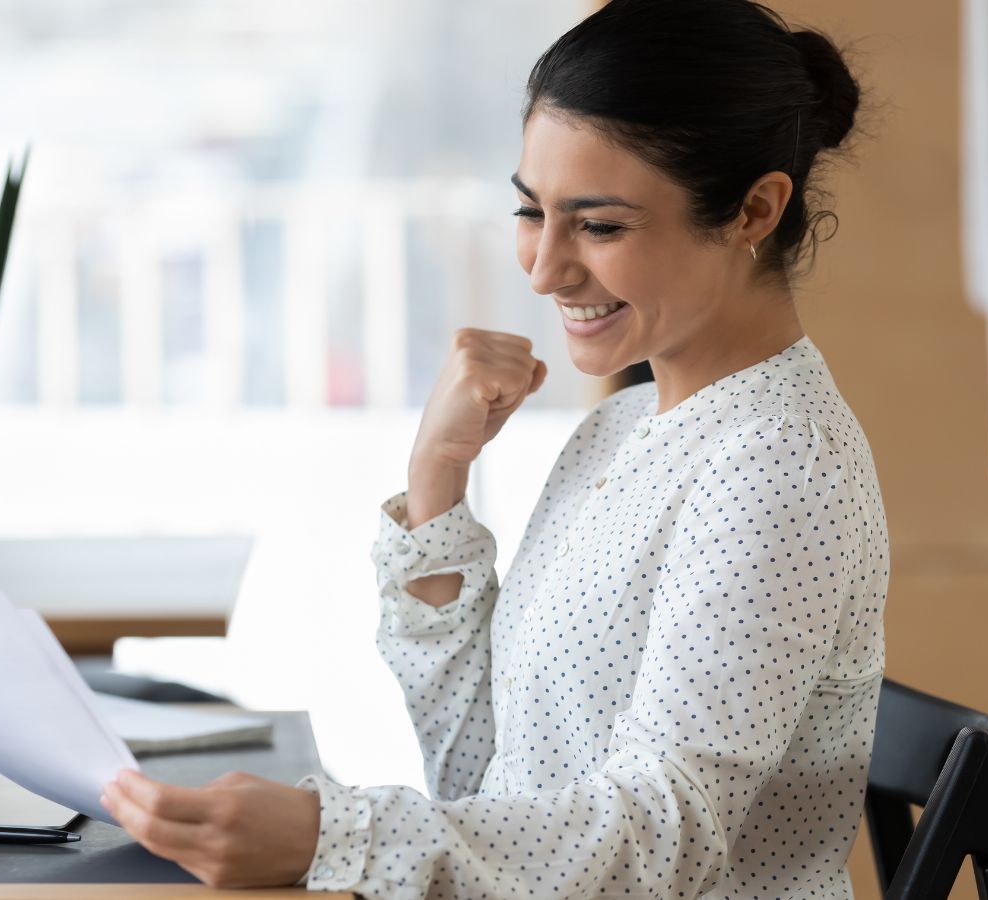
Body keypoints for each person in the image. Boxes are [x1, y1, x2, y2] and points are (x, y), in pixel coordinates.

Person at [100, 0, 889, 896]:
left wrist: (338, 838)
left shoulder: (781, 466)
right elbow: (485, 775)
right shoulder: (623, 428)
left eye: (599, 225)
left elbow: (667, 836)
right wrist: (436, 480)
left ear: (754, 210)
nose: (544, 268)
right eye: (530, 211)